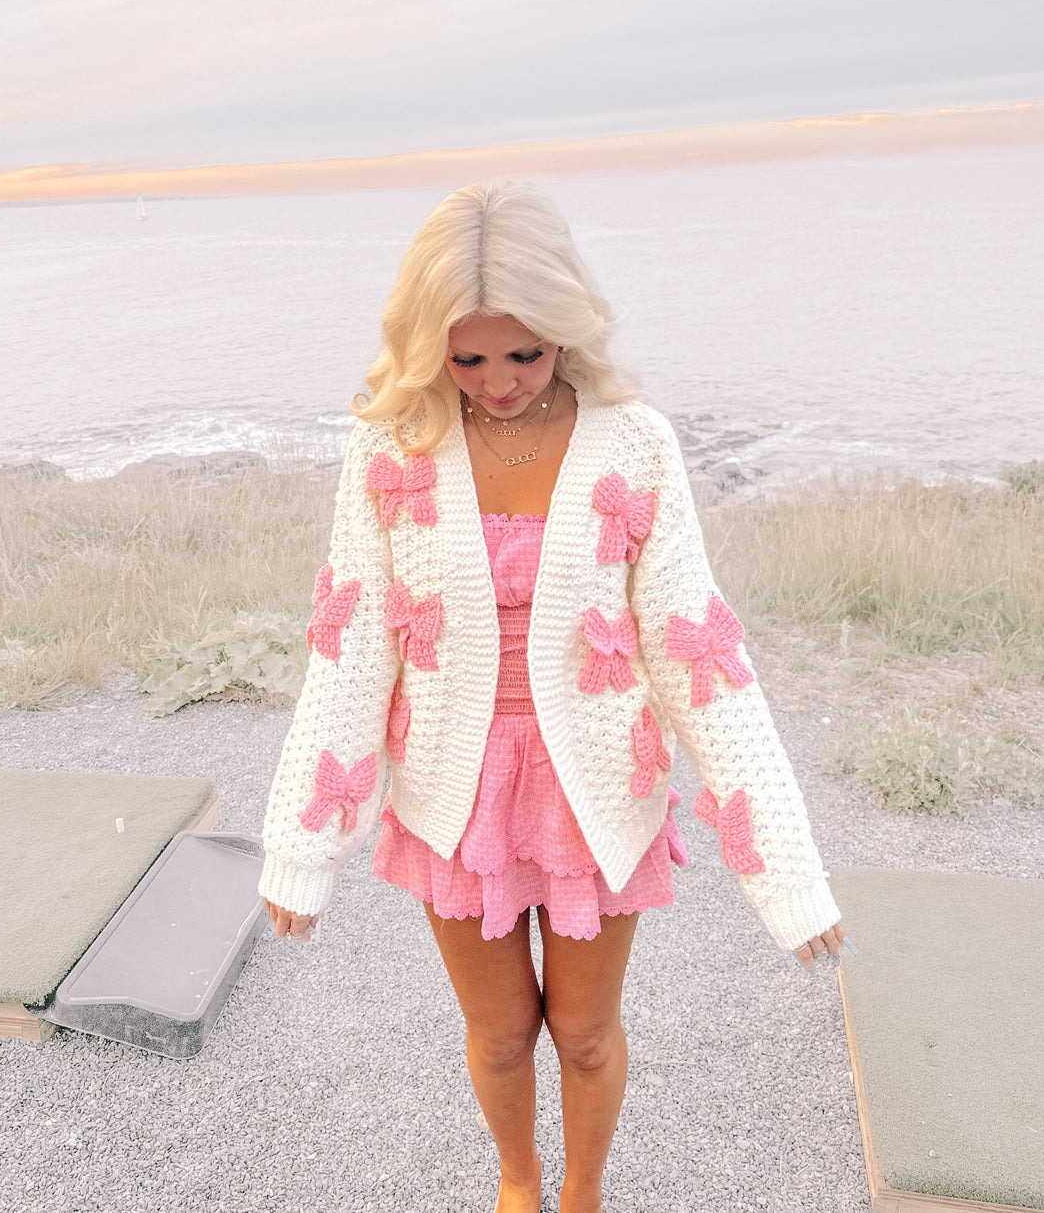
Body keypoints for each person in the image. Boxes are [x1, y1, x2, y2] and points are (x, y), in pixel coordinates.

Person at [259, 180, 849, 1213]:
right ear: (426, 342)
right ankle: (517, 1180)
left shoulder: (633, 442)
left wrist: (788, 878)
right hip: (453, 788)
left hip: (596, 790)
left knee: (580, 1031)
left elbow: (694, 652)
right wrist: (301, 850)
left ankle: (582, 1191)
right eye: (467, 356)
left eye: (523, 353)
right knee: (497, 1032)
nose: (495, 382)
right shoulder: (387, 448)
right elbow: (350, 641)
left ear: (565, 329)